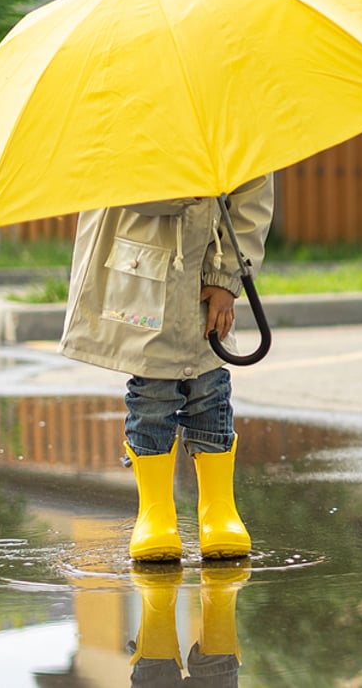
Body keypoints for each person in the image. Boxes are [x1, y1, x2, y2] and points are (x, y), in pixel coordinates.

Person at [59, 175, 274, 561]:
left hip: (208, 271)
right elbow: (116, 185)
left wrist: (227, 277)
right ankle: (155, 513)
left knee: (210, 387)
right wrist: (184, 188)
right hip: (143, 272)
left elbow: (252, 197)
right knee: (152, 393)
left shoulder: (231, 120)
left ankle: (218, 509)